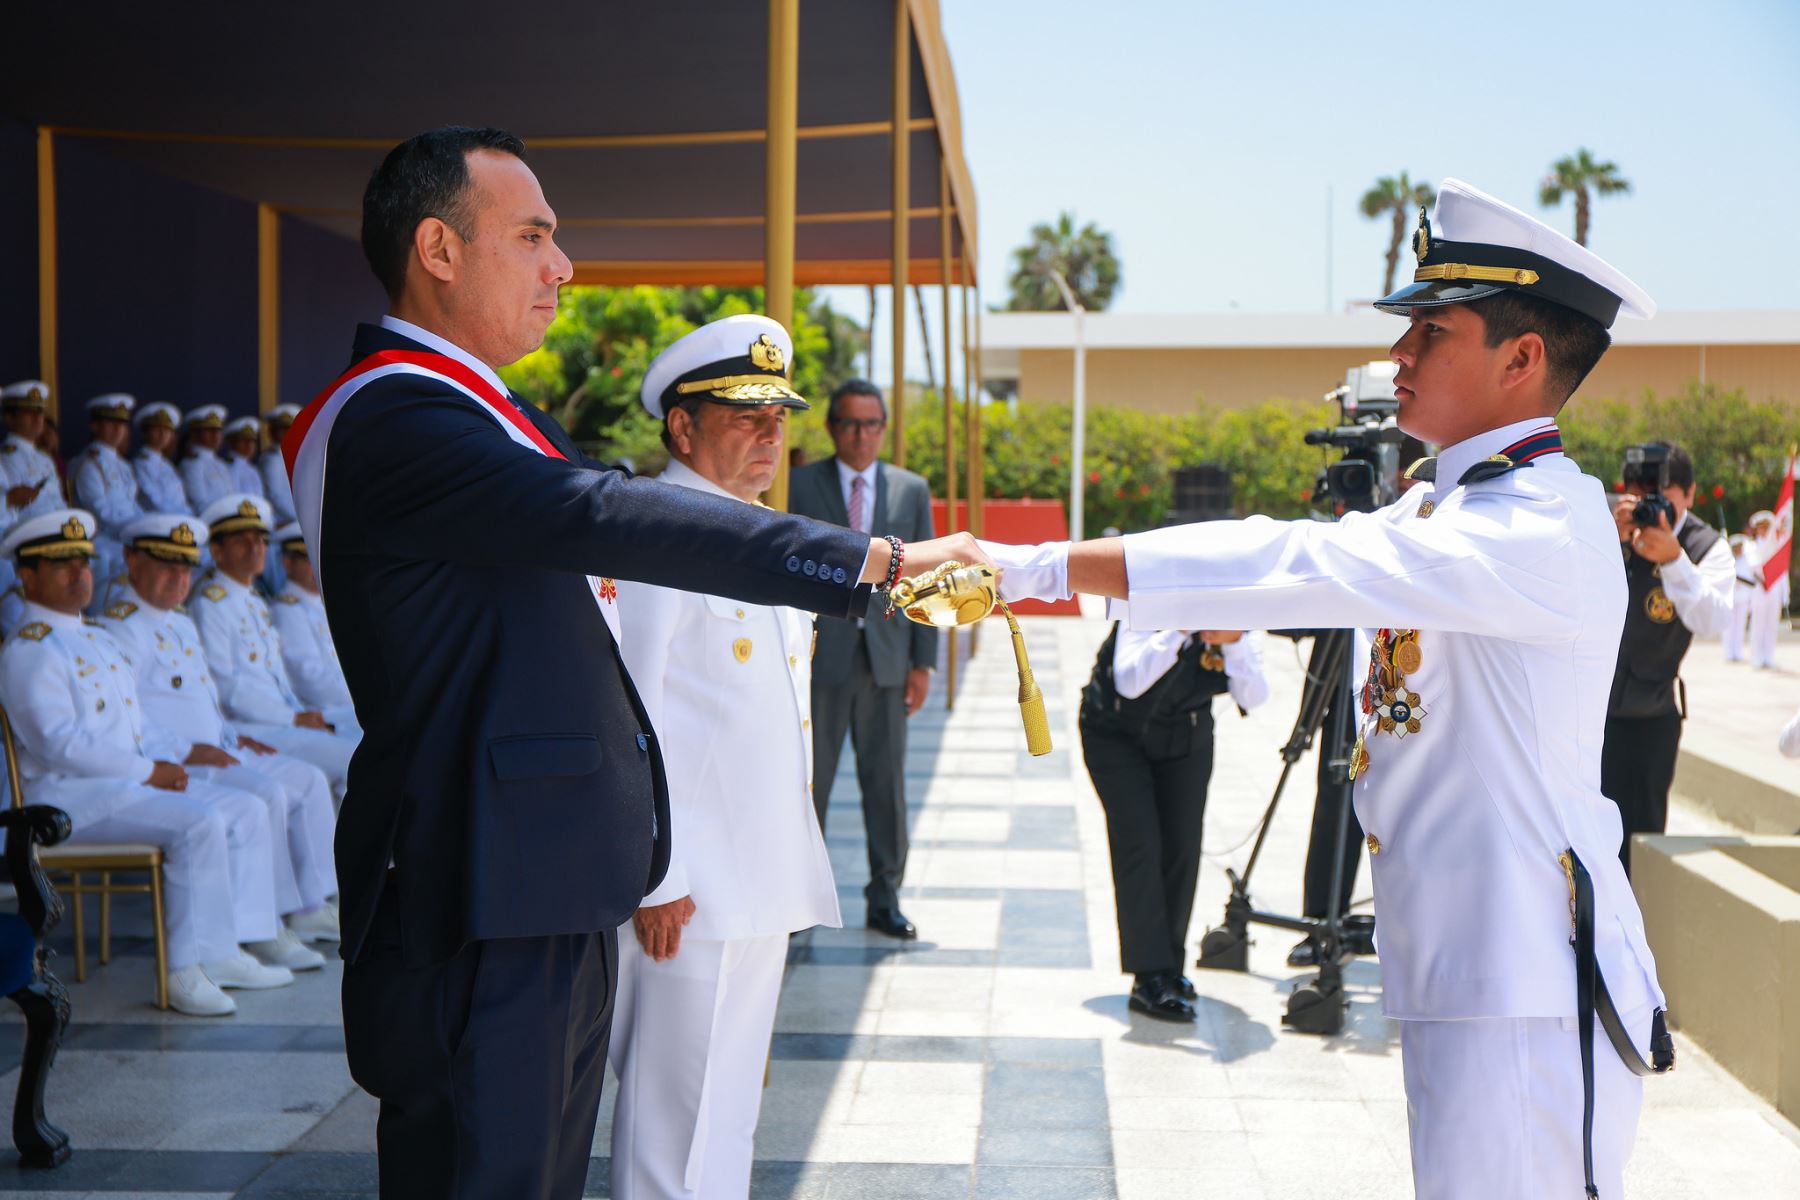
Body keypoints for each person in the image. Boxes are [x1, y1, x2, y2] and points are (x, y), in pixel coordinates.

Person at [291, 126, 981, 1200]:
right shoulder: (398, 415)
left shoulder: (478, 411)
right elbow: (606, 515)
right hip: (483, 883)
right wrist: (874, 563)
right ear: (437, 248)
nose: (562, 268)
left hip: (534, 876)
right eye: (532, 236)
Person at [982, 179, 1669, 1199]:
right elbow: (1303, 572)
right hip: (1468, 960)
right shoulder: (1445, 503)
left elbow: (1294, 560)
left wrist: (1028, 567)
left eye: (1431, 332)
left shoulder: (1537, 523)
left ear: (1522, 359)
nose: (1400, 355)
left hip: (1526, 971)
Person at [608, 315, 841, 1200]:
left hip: (759, 875)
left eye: (779, 416)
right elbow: (634, 713)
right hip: (690, 886)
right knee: (670, 1122)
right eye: (745, 415)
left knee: (730, 1107)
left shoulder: (758, 534)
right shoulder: (656, 535)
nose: (770, 435)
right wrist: (657, 876)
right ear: (681, 427)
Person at [0, 509, 296, 1015]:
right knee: (198, 823)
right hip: (63, 801)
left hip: (118, 788)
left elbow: (136, 725)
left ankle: (224, 950)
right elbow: (57, 745)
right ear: (27, 575)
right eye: (60, 565)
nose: (79, 575)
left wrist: (173, 756)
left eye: (83, 562)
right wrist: (148, 771)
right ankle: (184, 970)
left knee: (241, 806)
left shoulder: (96, 636)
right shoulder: (29, 648)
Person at [102, 512, 341, 957]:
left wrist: (230, 735)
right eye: (166, 565)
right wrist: (186, 749)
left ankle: (308, 905)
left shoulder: (179, 622)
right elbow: (130, 718)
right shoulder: (122, 628)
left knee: (303, 779)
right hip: (175, 760)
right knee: (265, 794)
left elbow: (204, 702)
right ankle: (261, 928)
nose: (179, 577)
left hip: (216, 747)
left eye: (184, 567)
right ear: (131, 563)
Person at [788, 379, 937, 940]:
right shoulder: (800, 485)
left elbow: (926, 580)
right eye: (850, 423)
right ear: (831, 427)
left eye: (871, 424)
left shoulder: (910, 490)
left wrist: (924, 663)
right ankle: (801, 901)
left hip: (886, 659)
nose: (861, 435)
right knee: (810, 784)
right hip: (820, 660)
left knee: (885, 785)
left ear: (883, 428)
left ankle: (886, 897)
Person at [1080, 622, 1268, 1020]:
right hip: (1114, 733)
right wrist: (1181, 629)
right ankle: (1148, 976)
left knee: (1182, 846)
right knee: (1140, 844)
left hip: (1187, 735)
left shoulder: (1240, 613)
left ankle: (1170, 967)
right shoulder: (1146, 599)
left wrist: (1233, 643)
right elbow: (1130, 682)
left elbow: (1254, 694)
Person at [1601, 441, 1734, 873]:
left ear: (1691, 496)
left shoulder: (1704, 545)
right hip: (1586, 711)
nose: (1651, 512)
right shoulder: (1602, 524)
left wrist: (1674, 560)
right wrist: (1609, 542)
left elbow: (1714, 620)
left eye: (1663, 501)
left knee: (1639, 849)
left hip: (1649, 717)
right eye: (1641, 500)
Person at [190, 494, 358, 793]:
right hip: (250, 725)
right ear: (216, 550)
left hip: (285, 715)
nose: (256, 548)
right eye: (242, 541)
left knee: (379, 732)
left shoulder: (253, 601)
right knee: (358, 758)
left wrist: (299, 714)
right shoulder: (210, 604)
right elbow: (228, 690)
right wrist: (293, 718)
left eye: (261, 540)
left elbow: (276, 679)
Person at [267, 523, 353, 712]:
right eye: (309, 559)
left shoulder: (327, 603)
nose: (318, 566)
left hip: (348, 703)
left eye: (322, 558)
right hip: (323, 709)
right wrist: (366, 694)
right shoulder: (287, 610)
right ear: (287, 563)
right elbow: (308, 679)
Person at [72, 393, 146, 608]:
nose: (118, 430)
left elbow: (133, 505)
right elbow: (100, 511)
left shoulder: (123, 465)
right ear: (95, 426)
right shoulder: (88, 464)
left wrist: (148, 525)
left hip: (125, 534)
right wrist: (138, 529)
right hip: (101, 536)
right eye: (111, 423)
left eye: (122, 424)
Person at [133, 402, 193, 515]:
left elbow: (180, 499)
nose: (162, 434)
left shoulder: (167, 464)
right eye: (157, 429)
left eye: (167, 430)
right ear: (145, 433)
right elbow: (153, 500)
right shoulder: (140, 463)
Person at [1746, 509, 1787, 669]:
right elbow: (1755, 564)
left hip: (1774, 588)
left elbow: (1782, 570)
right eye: (1761, 527)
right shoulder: (1752, 546)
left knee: (1772, 624)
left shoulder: (1776, 546)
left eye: (1767, 527)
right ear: (1757, 529)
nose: (1764, 530)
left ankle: (1768, 655)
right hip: (1759, 588)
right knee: (1758, 623)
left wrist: (1785, 592)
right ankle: (1756, 656)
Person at [178, 405, 233, 513]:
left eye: (218, 430)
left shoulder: (220, 463)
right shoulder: (192, 464)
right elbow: (199, 504)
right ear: (194, 434)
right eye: (209, 430)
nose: (216, 435)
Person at [261, 406, 301, 524]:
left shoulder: (293, 454)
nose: (288, 433)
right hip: (283, 522)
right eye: (282, 429)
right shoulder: (272, 459)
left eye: (290, 428)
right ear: (271, 432)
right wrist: (298, 517)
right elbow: (275, 496)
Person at [1725, 532, 1759, 662]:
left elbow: (1751, 581)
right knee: (1729, 626)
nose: (1738, 549)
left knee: (1740, 626)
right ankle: (1728, 651)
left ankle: (1738, 651)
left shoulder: (1747, 562)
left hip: (1743, 597)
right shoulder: (1727, 561)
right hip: (1730, 597)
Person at [221, 415, 266, 498]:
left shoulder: (252, 469)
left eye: (252, 441)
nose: (249, 445)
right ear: (232, 442)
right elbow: (233, 496)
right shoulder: (230, 467)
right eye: (244, 440)